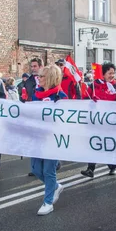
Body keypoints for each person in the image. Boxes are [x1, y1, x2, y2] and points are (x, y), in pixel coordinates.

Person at [30, 65, 68, 215]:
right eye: (39, 76)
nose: (39, 79)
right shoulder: (36, 94)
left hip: (52, 139)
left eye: (42, 76)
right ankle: (55, 186)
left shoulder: (60, 96)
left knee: (48, 171)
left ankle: (48, 202)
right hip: (36, 137)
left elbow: (65, 119)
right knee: (35, 169)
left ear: (51, 78)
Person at [81, 62, 116, 178]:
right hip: (96, 121)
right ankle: (90, 169)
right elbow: (85, 99)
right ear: (103, 74)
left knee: (107, 144)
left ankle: (113, 166)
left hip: (110, 122)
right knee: (94, 144)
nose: (112, 75)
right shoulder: (94, 85)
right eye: (109, 73)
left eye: (113, 73)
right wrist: (91, 101)